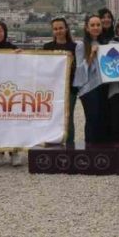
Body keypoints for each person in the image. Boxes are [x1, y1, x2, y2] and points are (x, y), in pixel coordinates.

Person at [0, 20, 25, 164]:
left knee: (12, 121)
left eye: (0, 30)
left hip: (11, 91)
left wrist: (22, 54)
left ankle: (15, 152)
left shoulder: (12, 48)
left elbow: (23, 64)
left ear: (5, 32)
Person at [76, 15, 112, 144]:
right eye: (92, 25)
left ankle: (102, 150)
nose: (96, 27)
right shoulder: (81, 45)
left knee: (103, 118)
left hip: (103, 86)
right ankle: (90, 148)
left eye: (98, 25)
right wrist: (91, 54)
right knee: (92, 119)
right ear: (87, 28)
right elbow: (80, 69)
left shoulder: (105, 44)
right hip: (89, 88)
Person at [43, 17, 77, 145]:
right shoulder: (47, 47)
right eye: (55, 29)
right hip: (52, 89)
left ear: (66, 29)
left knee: (68, 117)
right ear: (53, 31)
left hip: (70, 89)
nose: (58, 31)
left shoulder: (74, 47)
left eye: (61, 28)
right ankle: (52, 142)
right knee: (52, 116)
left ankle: (70, 144)